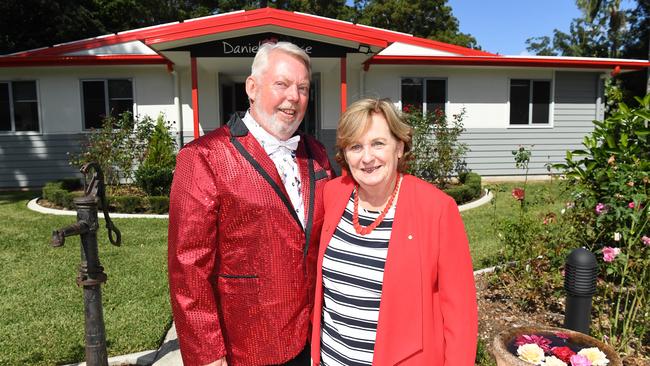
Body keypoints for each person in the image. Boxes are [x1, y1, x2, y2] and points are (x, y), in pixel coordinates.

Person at [168, 41, 334, 366]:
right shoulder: (204, 157)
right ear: (252, 88)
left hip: (312, 339)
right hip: (246, 347)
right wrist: (207, 356)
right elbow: (188, 269)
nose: (294, 97)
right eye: (282, 84)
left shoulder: (316, 154)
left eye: (302, 88)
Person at [310, 98, 478, 366]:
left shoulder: (436, 209)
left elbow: (461, 315)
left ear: (399, 147)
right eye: (355, 146)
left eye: (378, 143)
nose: (367, 158)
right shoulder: (334, 193)